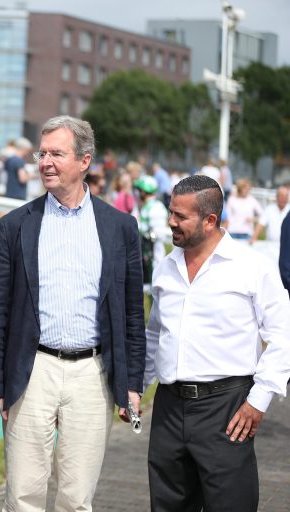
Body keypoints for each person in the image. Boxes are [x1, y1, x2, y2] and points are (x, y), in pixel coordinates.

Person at [0, 115, 146, 511]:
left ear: (84, 160)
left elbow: (132, 315)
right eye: (42, 153)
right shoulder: (15, 226)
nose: (45, 162)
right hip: (32, 370)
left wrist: (131, 383)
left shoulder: (121, 227)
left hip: (93, 373)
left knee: (77, 495)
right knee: (22, 493)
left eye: (57, 153)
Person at [145, 175, 290, 511]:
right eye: (171, 213)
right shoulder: (166, 267)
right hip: (168, 408)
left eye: (180, 216)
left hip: (226, 409)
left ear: (209, 221)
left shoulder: (252, 267)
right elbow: (156, 333)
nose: (171, 222)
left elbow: (283, 334)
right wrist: (137, 387)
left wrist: (259, 400)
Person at [135, 175, 171, 286]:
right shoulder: (145, 206)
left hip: (154, 253)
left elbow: (158, 234)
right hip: (145, 251)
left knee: (154, 284)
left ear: (145, 191)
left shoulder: (156, 207)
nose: (138, 193)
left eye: (139, 190)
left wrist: (144, 232)